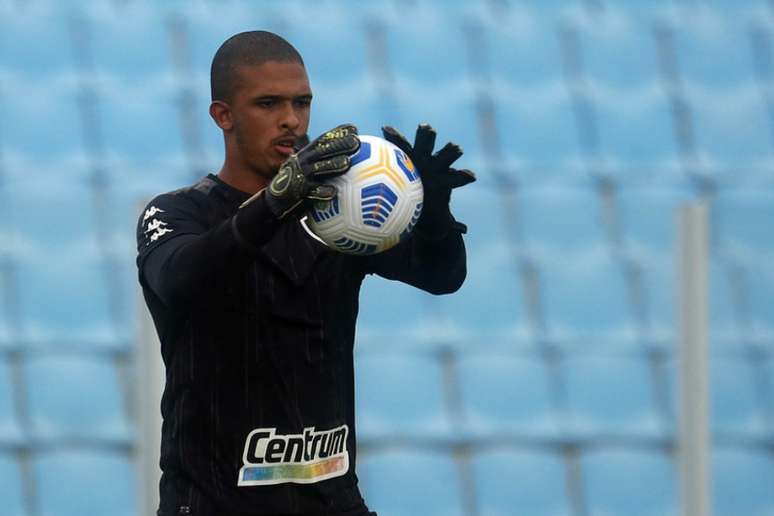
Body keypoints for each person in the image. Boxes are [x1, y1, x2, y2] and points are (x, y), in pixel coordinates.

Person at [136, 30, 475, 516]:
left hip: (333, 503)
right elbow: (182, 279)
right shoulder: (177, 213)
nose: (291, 120)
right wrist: (276, 200)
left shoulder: (339, 212)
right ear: (223, 115)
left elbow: (443, 277)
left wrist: (435, 219)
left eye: (302, 103)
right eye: (268, 103)